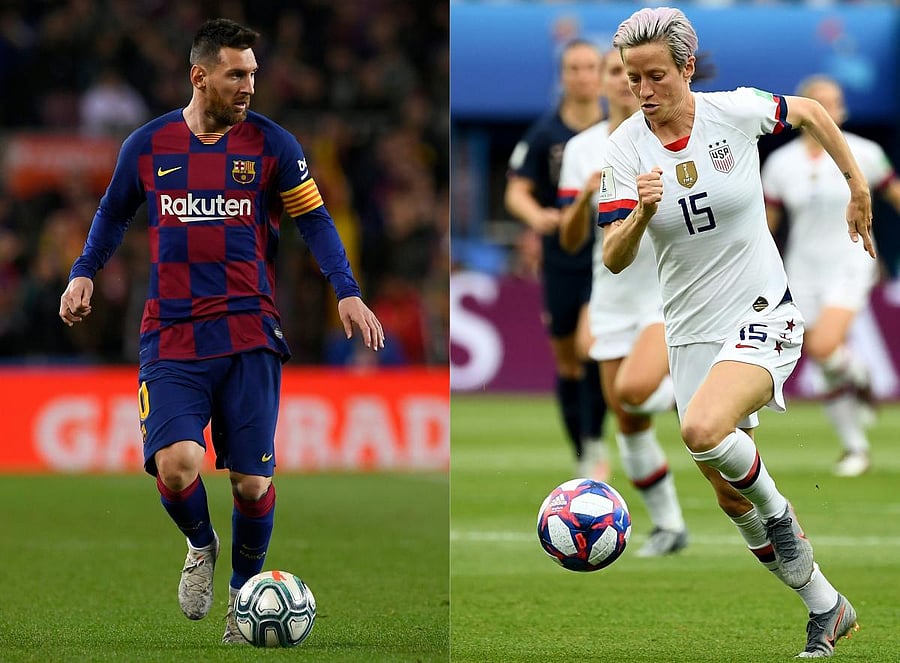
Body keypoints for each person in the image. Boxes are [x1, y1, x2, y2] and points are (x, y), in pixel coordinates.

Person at [58, 18, 384, 645]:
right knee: (178, 467)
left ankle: (243, 599)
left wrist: (345, 290)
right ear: (199, 76)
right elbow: (110, 214)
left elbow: (314, 222)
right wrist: (83, 274)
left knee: (251, 482)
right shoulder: (148, 147)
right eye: (237, 74)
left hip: (249, 332)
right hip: (172, 334)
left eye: (254, 74)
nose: (249, 86)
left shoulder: (274, 145)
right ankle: (201, 544)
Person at [599, 8, 870, 657]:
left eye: (656, 75)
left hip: (763, 312)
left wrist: (855, 185)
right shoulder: (623, 150)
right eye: (635, 79)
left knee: (700, 431)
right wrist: (641, 212)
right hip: (689, 332)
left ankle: (780, 511)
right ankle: (826, 606)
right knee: (727, 495)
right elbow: (613, 255)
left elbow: (809, 111)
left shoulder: (735, 112)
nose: (644, 91)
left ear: (687, 67)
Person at [557, 48, 687, 557]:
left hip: (664, 290)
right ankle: (670, 526)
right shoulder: (583, 149)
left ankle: (686, 392)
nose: (622, 81)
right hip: (611, 291)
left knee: (633, 391)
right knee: (626, 415)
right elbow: (569, 239)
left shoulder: (672, 138)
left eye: (628, 73)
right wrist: (586, 199)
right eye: (614, 72)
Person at [762, 74, 900, 477]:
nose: (830, 109)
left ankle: (860, 378)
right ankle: (855, 444)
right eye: (820, 101)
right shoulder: (780, 163)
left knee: (824, 347)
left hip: (852, 262)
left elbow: (894, 195)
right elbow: (768, 225)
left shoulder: (866, 153)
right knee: (824, 361)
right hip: (802, 268)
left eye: (835, 101)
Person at [505, 39, 609, 479]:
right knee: (568, 360)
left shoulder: (618, 131)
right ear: (563, 75)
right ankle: (582, 448)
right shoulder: (545, 135)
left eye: (591, 67)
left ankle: (598, 440)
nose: (584, 75)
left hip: (607, 258)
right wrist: (540, 217)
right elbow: (516, 192)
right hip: (562, 257)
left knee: (592, 347)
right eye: (575, 68)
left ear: (603, 74)